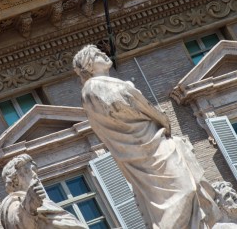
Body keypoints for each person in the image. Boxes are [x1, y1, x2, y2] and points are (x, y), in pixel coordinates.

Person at [73, 45, 222, 229]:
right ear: (88, 66)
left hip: (150, 143)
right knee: (184, 191)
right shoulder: (94, 88)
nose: (103, 53)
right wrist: (161, 118)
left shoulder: (100, 87)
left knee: (189, 189)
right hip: (145, 149)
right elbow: (129, 105)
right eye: (96, 54)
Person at [0, 154, 86, 229]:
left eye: (34, 170)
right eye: (27, 171)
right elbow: (18, 223)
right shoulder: (11, 202)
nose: (34, 174)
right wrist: (30, 202)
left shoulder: (46, 203)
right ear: (15, 180)